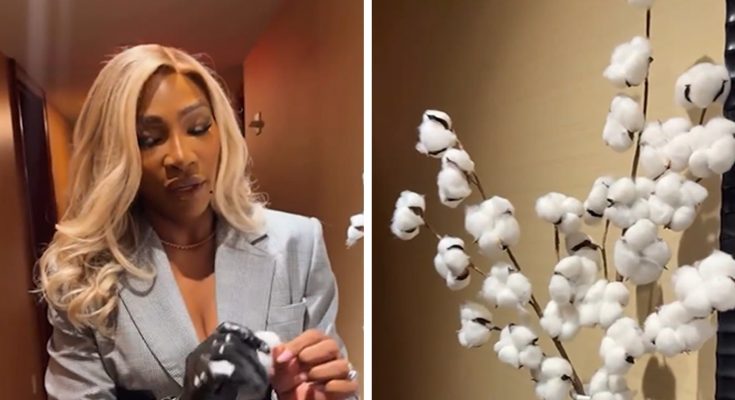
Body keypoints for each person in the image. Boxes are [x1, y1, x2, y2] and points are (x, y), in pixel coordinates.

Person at [37, 44, 358, 400]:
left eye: (198, 127)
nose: (181, 156)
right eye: (149, 139)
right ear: (115, 154)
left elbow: (335, 386)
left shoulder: (297, 243)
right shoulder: (84, 278)